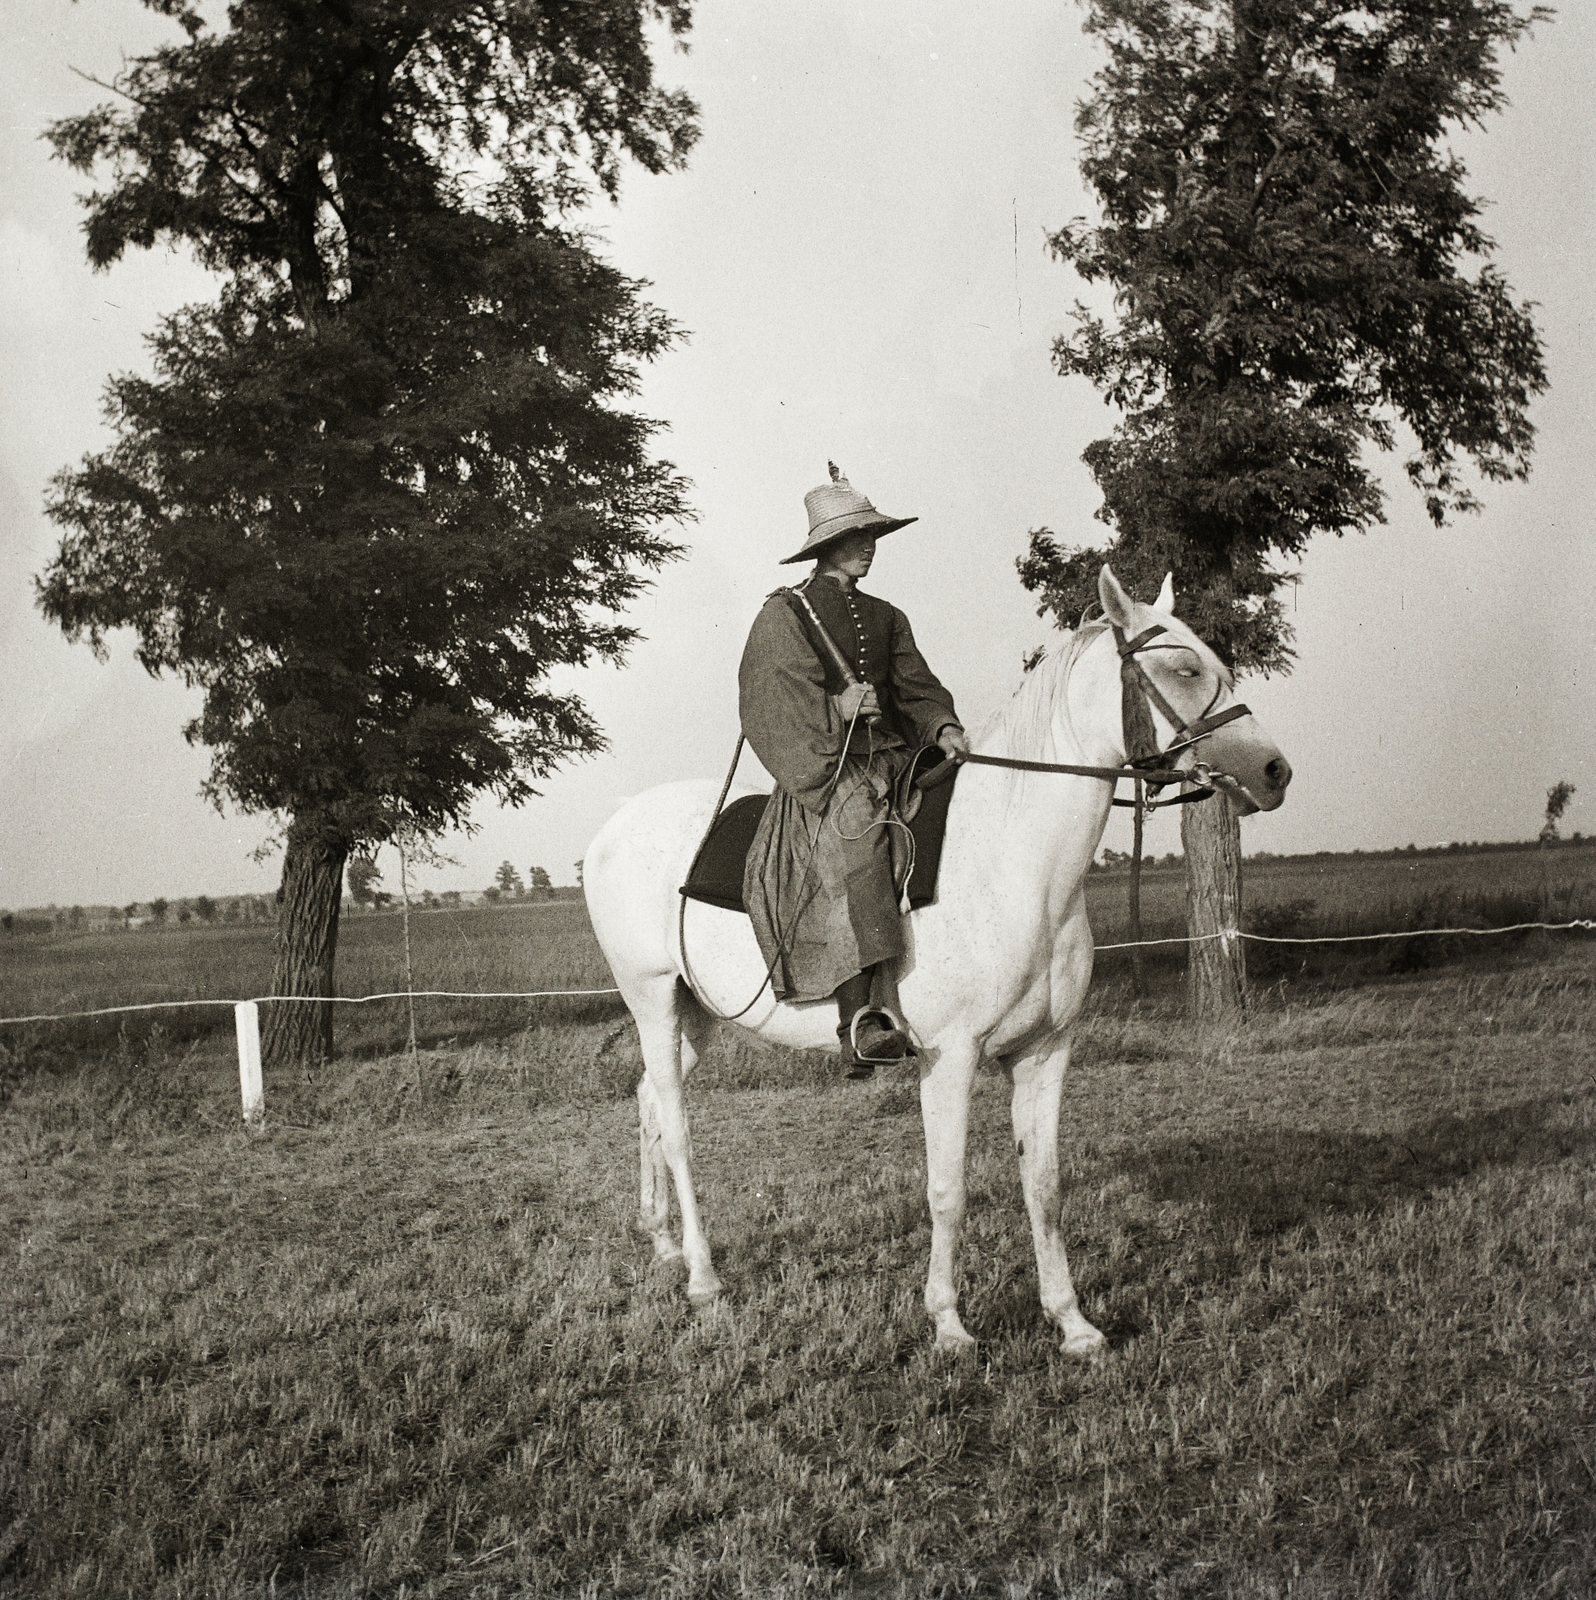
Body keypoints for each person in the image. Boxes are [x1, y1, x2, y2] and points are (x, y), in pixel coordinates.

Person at [738, 464, 971, 1077]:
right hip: (830, 772)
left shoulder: (887, 615)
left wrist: (942, 726)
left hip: (894, 757)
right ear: (828, 545)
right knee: (859, 845)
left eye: (872, 536)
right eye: (856, 537)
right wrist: (835, 709)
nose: (869, 546)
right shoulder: (785, 614)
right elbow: (769, 698)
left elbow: (916, 688)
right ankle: (859, 1024)